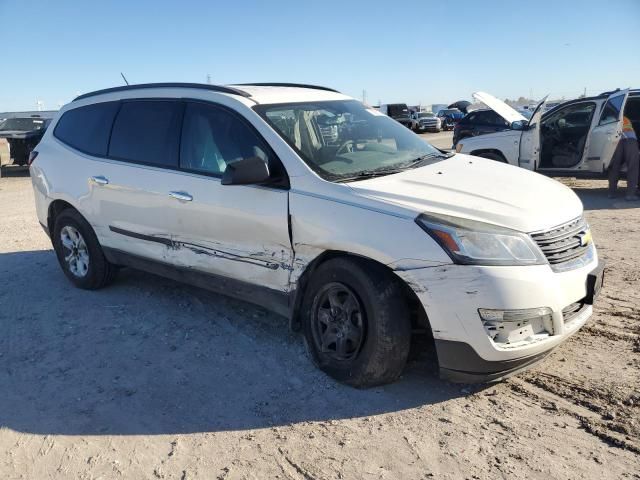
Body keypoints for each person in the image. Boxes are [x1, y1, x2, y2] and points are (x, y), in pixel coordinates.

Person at [608, 115, 639, 200]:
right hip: (630, 140)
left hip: (616, 141)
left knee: (615, 166)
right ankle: (630, 195)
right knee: (633, 167)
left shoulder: (608, 118)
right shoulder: (625, 118)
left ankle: (611, 193)